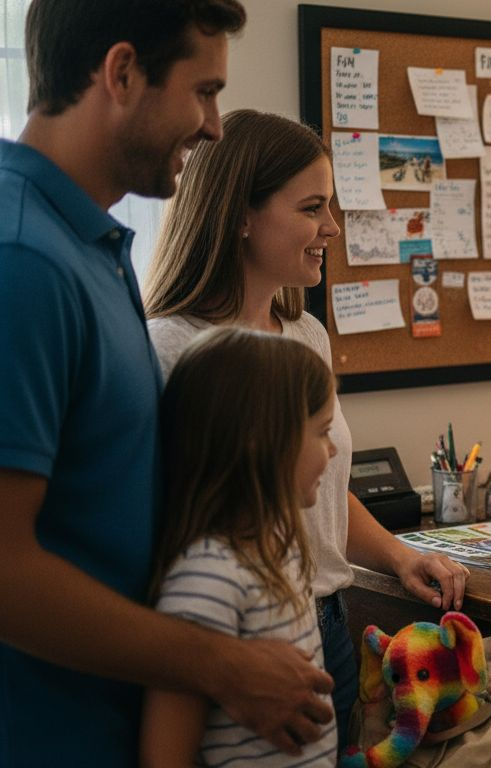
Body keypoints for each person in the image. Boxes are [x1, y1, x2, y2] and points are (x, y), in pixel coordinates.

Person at [0, 3, 333, 766]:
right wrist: (222, 663)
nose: (215, 126)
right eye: (203, 91)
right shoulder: (24, 259)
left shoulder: (91, 242)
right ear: (121, 73)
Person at [143, 108, 470, 750]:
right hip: (233, 639)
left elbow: (319, 484)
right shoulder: (167, 350)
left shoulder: (307, 336)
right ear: (239, 214)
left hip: (327, 623)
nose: (332, 227)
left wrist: (402, 556)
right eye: (312, 207)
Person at [142, 328, 339, 767]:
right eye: (322, 432)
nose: (333, 449)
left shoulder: (281, 550)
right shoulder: (209, 577)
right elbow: (165, 755)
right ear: (263, 441)